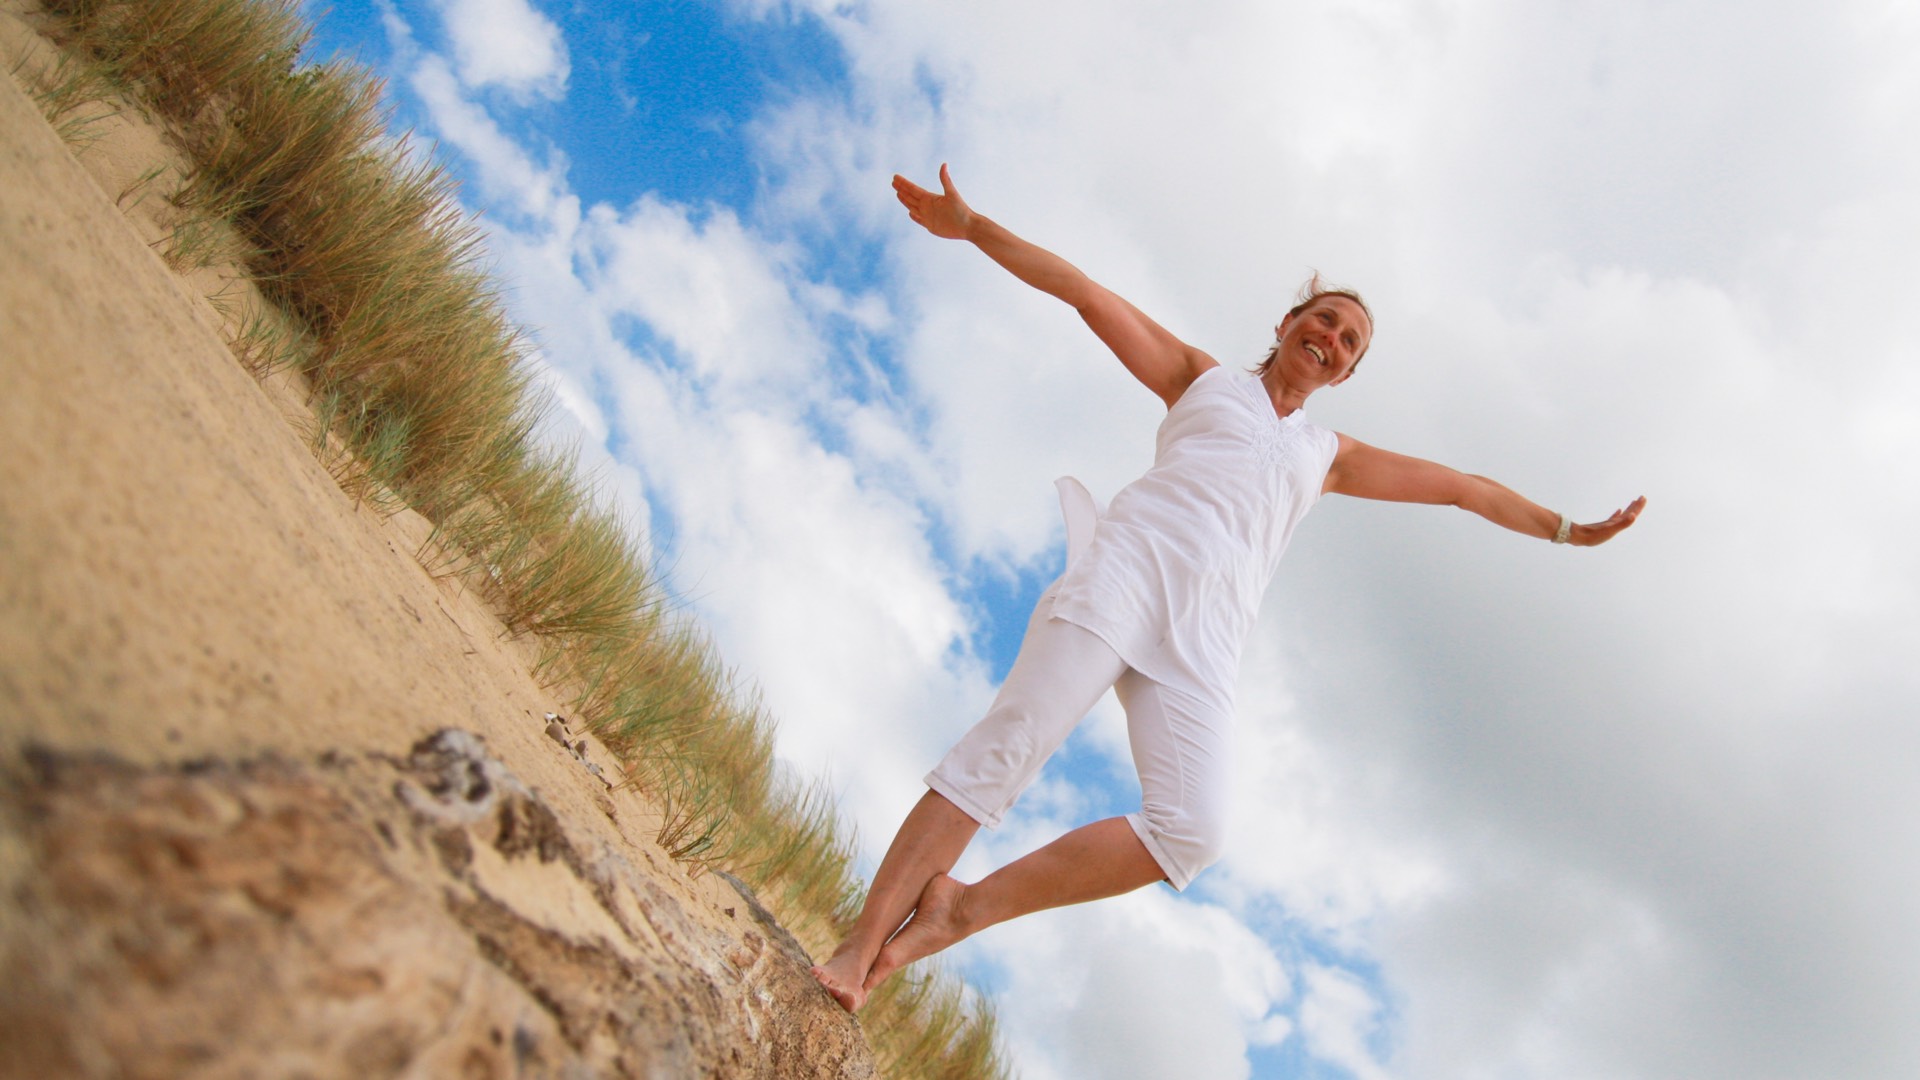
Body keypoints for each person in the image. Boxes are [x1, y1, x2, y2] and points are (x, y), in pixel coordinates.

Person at [810, 165, 1645, 1013]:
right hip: (1124, 578)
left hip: (1205, 641)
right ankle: (859, 946)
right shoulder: (1200, 378)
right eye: (1324, 319)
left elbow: (1464, 488)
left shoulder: (1330, 456)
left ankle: (963, 908)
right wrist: (974, 227)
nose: (1332, 337)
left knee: (1192, 831)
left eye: (1350, 341)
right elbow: (1085, 293)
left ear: (1346, 374)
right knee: (1010, 744)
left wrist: (1567, 530)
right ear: (1287, 324)